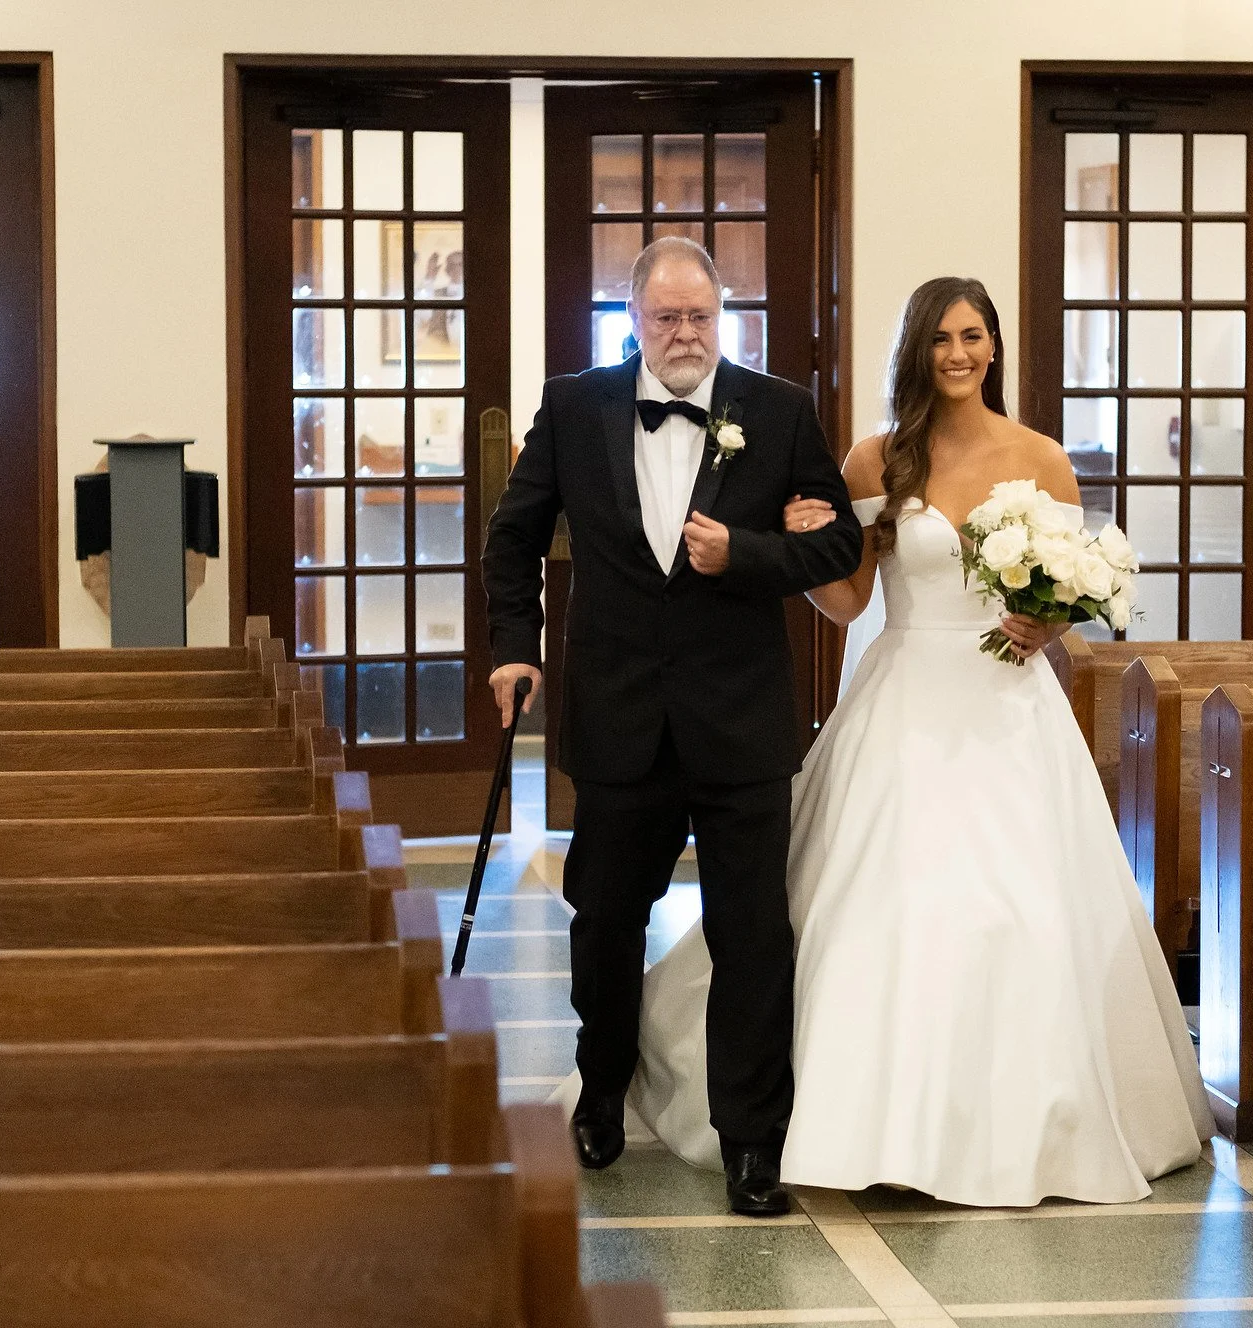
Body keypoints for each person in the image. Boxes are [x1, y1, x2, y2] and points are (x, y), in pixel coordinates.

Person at [570, 275, 1214, 1208]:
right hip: (905, 695)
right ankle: (835, 1118)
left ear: (994, 347)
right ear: (917, 351)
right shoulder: (879, 461)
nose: (960, 354)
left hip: (1008, 712)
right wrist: (801, 550)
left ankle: (1022, 1126)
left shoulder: (1044, 459)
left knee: (1021, 916)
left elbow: (1073, 593)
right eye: (942, 339)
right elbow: (849, 601)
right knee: (866, 910)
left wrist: (1048, 622)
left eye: (975, 337)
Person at [481, 237, 862, 1217]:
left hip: (739, 722)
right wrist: (511, 646)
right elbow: (513, 536)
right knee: (604, 918)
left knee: (750, 934)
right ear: (633, 318)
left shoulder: (777, 411)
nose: (684, 333)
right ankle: (600, 1092)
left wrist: (745, 552)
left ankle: (750, 1141)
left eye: (700, 317)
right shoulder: (573, 405)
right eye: (665, 318)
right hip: (616, 717)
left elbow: (837, 548)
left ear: (720, 316)